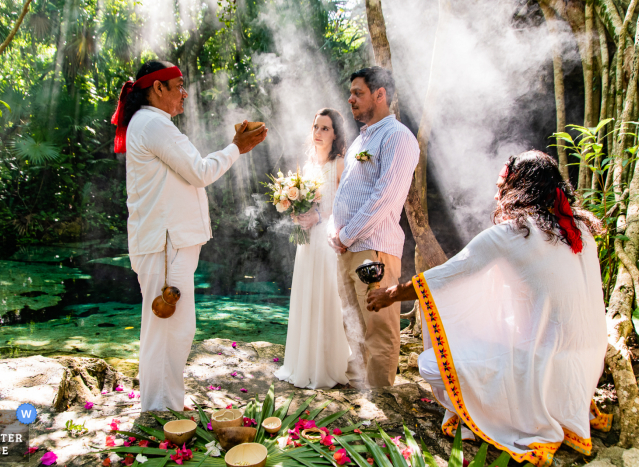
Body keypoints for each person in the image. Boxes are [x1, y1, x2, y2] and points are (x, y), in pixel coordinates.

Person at [366, 150, 612, 466]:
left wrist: (389, 294)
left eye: (503, 185)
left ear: (521, 188)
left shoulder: (513, 233)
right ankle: (544, 406)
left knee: (430, 362)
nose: (496, 194)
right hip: (582, 374)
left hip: (541, 372)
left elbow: (446, 276)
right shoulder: (579, 230)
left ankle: (501, 414)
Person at [112, 60, 267, 412]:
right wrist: (235, 148)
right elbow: (199, 172)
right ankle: (161, 410)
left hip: (166, 243)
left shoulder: (153, 123)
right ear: (158, 89)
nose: (184, 93)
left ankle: (162, 405)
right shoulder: (153, 123)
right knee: (170, 329)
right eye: (178, 86)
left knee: (169, 328)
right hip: (165, 246)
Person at [329, 66, 419, 389]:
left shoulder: (398, 138)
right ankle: (360, 399)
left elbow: (385, 197)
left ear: (380, 95)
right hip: (346, 248)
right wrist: (332, 229)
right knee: (352, 325)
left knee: (379, 328)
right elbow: (343, 193)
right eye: (351, 93)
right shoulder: (358, 143)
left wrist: (346, 234)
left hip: (373, 252)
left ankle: (382, 405)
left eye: (358, 93)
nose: (350, 99)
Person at [274, 108, 351, 389]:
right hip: (305, 243)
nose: (318, 133)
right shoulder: (307, 168)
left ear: (336, 134)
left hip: (327, 243)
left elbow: (347, 209)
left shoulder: (340, 165)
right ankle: (301, 363)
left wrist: (319, 217)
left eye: (325, 128)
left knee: (325, 299)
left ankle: (325, 366)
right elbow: (305, 205)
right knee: (305, 296)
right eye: (316, 127)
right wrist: (296, 213)